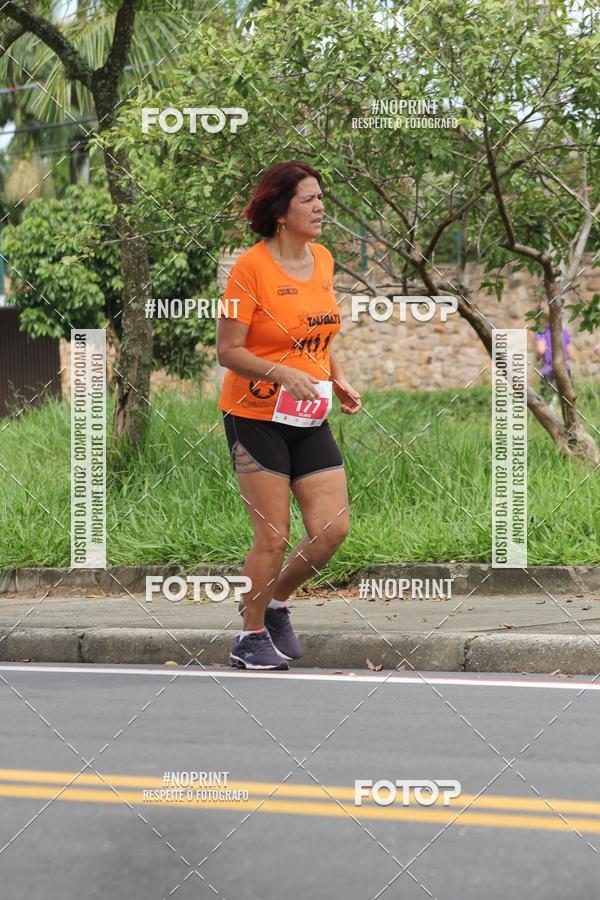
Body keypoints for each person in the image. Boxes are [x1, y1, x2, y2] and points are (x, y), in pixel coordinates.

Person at [216, 161, 361, 670]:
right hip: (253, 415)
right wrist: (282, 373)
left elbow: (318, 335)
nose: (320, 207)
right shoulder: (249, 269)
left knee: (332, 529)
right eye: (308, 199)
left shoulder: (322, 260)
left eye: (321, 197)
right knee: (273, 535)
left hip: (308, 413)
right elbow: (228, 352)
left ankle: (271, 602)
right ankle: (249, 634)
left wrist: (335, 376)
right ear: (281, 212)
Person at [535, 319, 572, 406]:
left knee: (547, 401)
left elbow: (541, 350)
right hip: (564, 369)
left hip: (548, 369)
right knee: (566, 401)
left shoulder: (542, 332)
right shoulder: (564, 332)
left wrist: (537, 357)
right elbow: (570, 353)